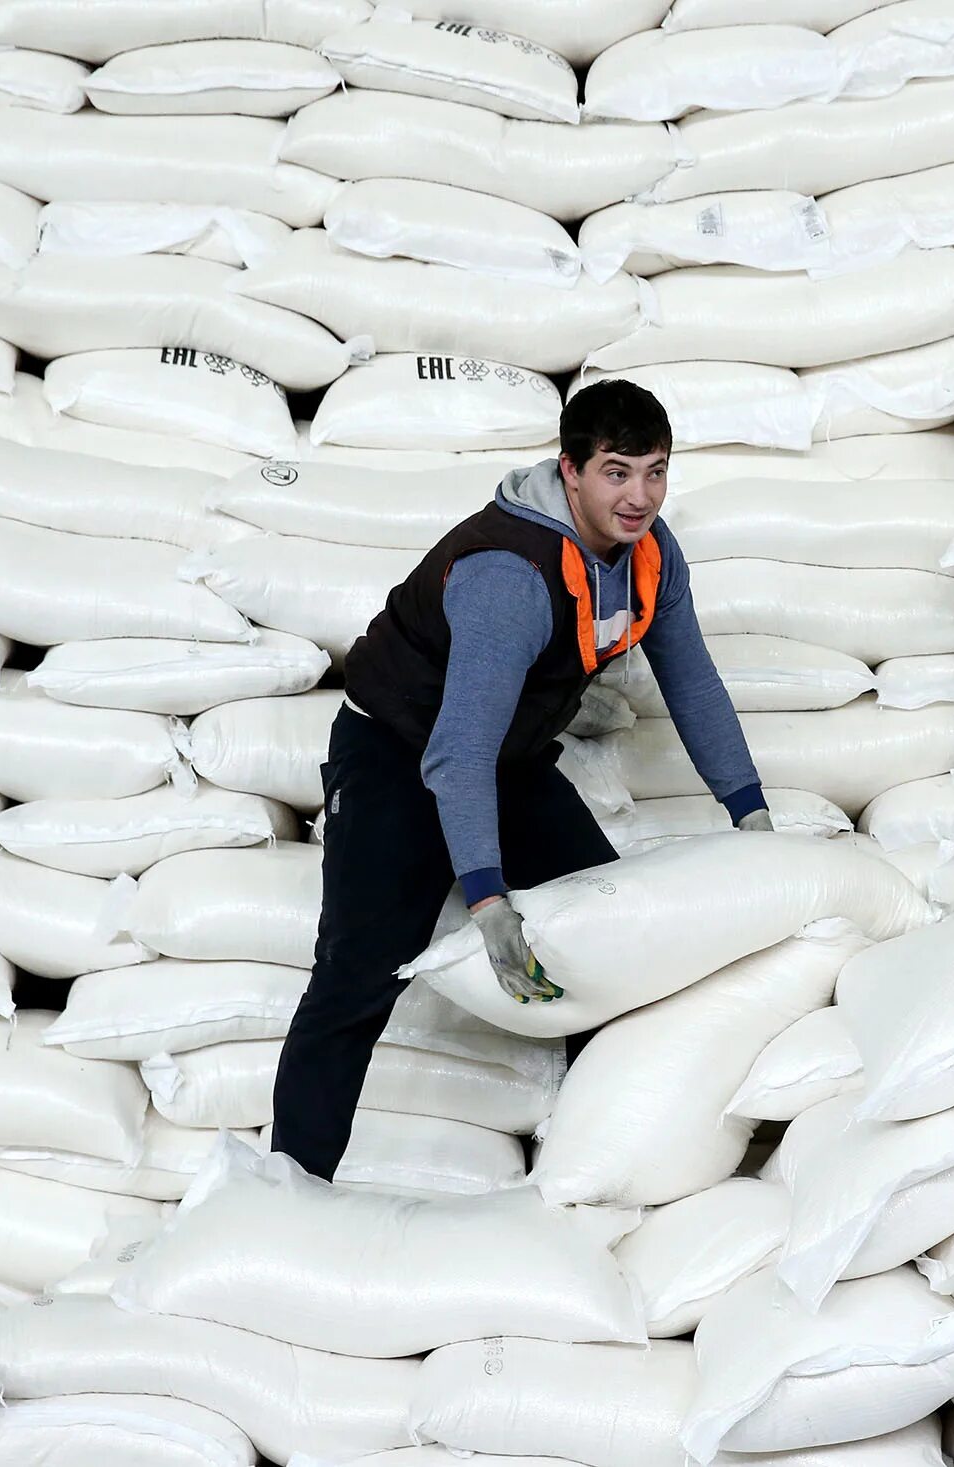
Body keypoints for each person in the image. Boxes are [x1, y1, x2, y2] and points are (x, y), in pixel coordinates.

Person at [270, 379, 772, 1180]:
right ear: (569, 470)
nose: (639, 496)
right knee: (359, 974)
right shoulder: (511, 573)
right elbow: (451, 754)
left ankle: (594, 1165)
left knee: (608, 943)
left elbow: (694, 683)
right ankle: (289, 1181)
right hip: (398, 752)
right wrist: (490, 897)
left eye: (655, 471)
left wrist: (751, 816)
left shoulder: (650, 555)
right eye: (616, 472)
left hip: (504, 756)